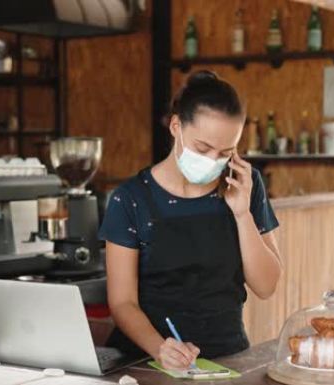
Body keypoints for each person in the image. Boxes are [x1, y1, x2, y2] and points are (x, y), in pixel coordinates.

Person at [100, 70, 282, 370]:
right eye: (202, 148)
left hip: (229, 360)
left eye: (225, 151)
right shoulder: (130, 198)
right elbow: (122, 303)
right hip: (144, 362)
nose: (212, 160)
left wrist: (242, 213)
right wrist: (161, 349)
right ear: (176, 126)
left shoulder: (246, 185)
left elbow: (266, 286)